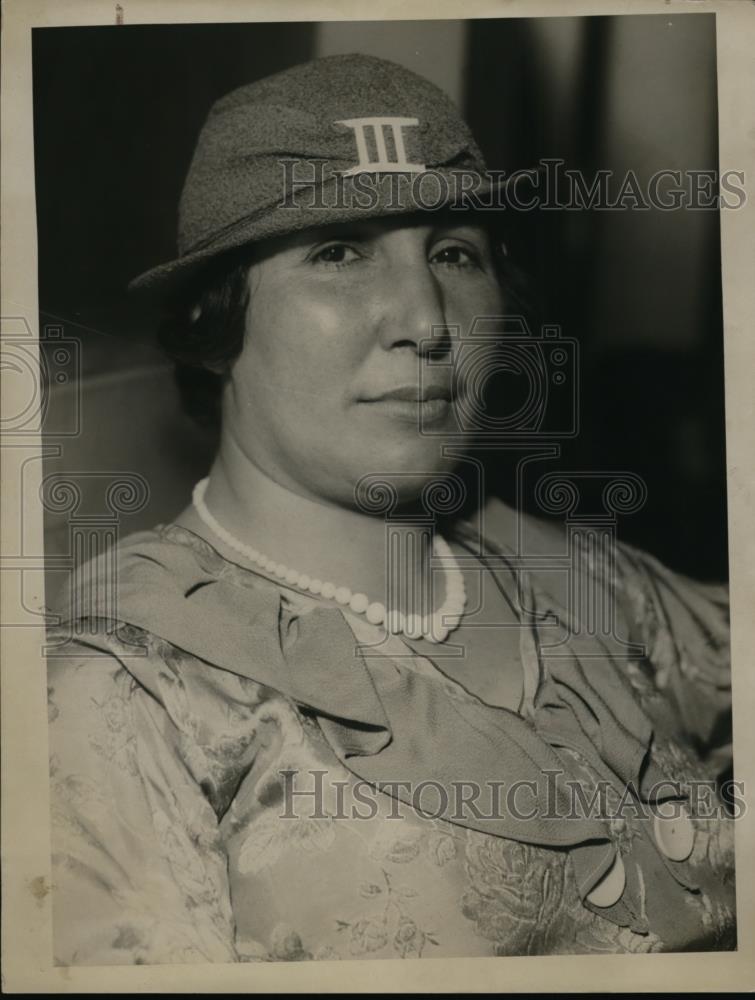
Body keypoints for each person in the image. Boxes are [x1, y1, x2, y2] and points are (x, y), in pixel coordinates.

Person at [46, 53, 735, 965]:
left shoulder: (567, 572)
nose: (425, 317)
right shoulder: (122, 698)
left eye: (453, 253)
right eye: (338, 253)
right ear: (217, 323)